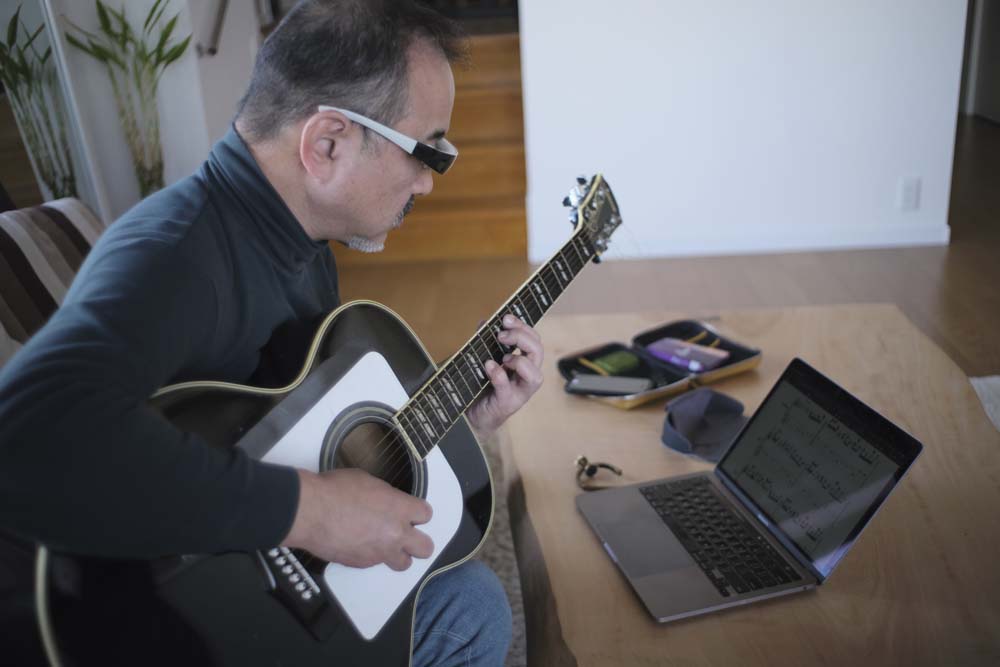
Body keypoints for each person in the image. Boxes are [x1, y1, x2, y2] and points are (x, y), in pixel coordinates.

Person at [0, 1, 543, 664]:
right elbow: (26, 435)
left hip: (255, 585)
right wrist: (310, 512)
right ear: (327, 143)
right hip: (141, 626)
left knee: (472, 602)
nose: (427, 184)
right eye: (427, 152)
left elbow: (291, 426)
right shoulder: (175, 256)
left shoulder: (300, 244)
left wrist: (461, 417)